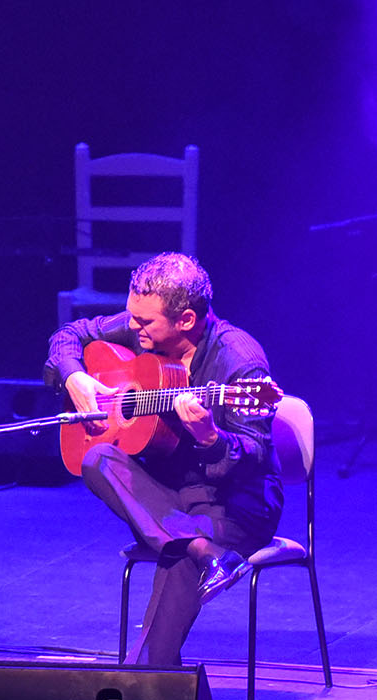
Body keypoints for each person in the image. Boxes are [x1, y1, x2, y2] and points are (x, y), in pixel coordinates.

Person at [46, 252, 283, 665]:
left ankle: (147, 678)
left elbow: (256, 454)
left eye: (144, 322)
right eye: (130, 317)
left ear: (186, 320)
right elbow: (71, 334)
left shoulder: (240, 361)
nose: (130, 327)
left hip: (234, 502)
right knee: (98, 458)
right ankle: (202, 550)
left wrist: (210, 437)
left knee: (177, 556)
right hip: (171, 495)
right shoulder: (140, 326)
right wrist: (74, 375)